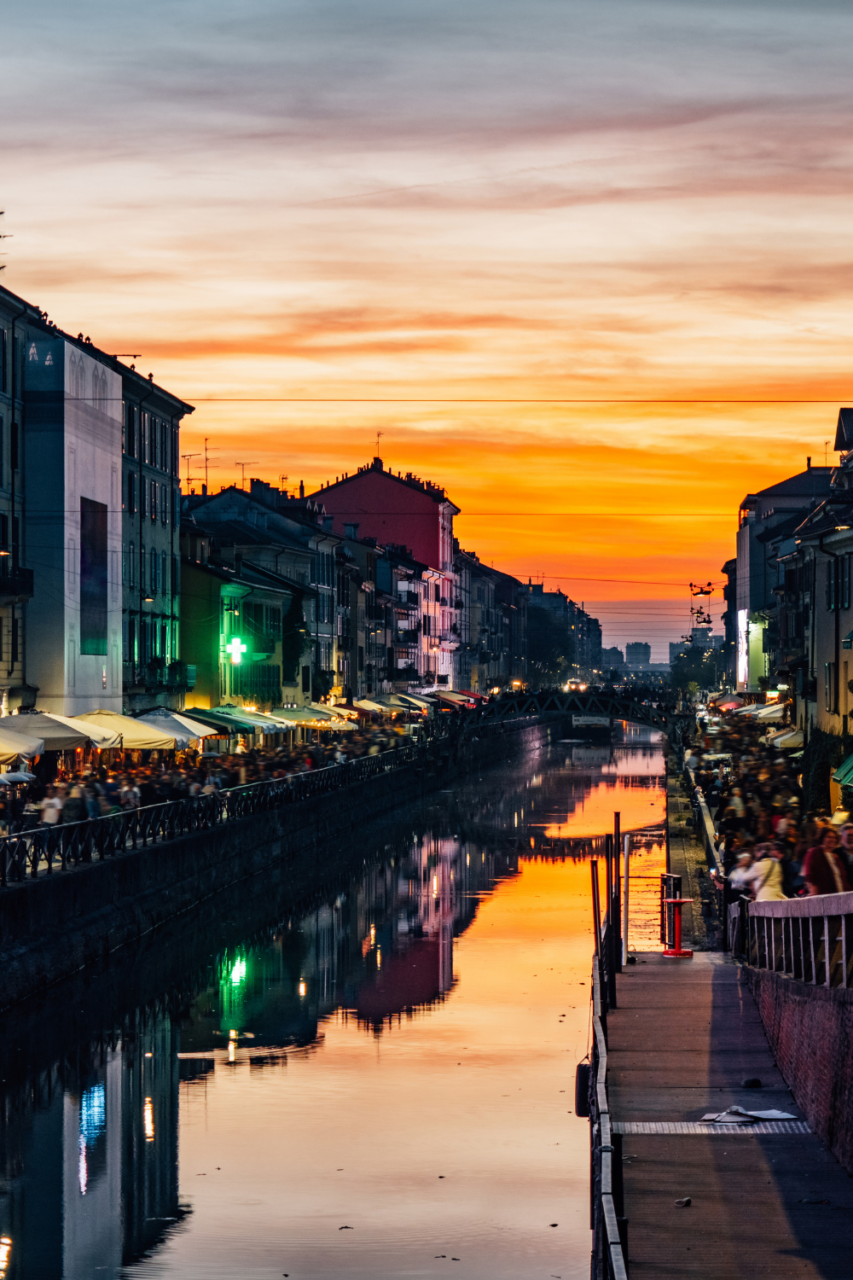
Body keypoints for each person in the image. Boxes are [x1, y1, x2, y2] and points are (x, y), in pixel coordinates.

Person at [802, 827, 851, 896]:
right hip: (824, 897)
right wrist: (814, 894)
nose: (832, 839)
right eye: (829, 837)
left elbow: (842, 879)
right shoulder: (814, 853)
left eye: (834, 837)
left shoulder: (835, 857)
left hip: (840, 896)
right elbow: (810, 876)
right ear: (822, 838)